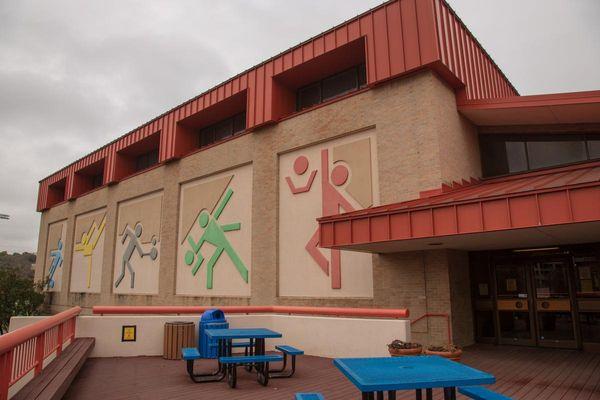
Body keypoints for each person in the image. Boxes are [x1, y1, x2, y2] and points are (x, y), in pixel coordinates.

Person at [115, 223, 158, 289]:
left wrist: (148, 254)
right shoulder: (133, 237)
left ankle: (117, 283)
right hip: (125, 258)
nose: (139, 232)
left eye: (140, 231)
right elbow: (127, 231)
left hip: (125, 258)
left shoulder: (135, 241)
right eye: (139, 231)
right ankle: (126, 285)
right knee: (130, 273)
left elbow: (141, 253)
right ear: (136, 230)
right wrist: (123, 239)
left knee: (124, 273)